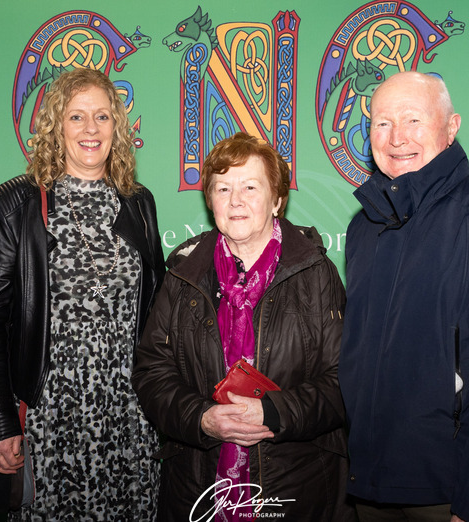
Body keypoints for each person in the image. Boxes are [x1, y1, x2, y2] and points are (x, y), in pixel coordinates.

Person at [339, 71, 469, 522]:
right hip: (369, 487)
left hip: (453, 491)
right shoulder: (363, 227)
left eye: (413, 119)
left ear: (451, 127)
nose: (396, 137)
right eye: (382, 123)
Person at [0, 68, 166, 519]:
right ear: (55, 125)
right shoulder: (15, 204)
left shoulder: (139, 202)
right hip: (49, 416)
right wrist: (0, 422)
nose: (90, 129)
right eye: (76, 116)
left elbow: (156, 309)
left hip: (129, 414)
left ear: (117, 126)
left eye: (102, 116)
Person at [132, 132, 356, 521]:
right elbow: (152, 372)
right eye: (223, 188)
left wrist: (274, 413)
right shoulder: (183, 274)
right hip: (197, 486)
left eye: (250, 187)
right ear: (210, 201)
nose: (235, 200)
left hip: (296, 487)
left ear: (277, 200)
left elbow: (345, 381)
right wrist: (201, 417)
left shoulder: (317, 274)